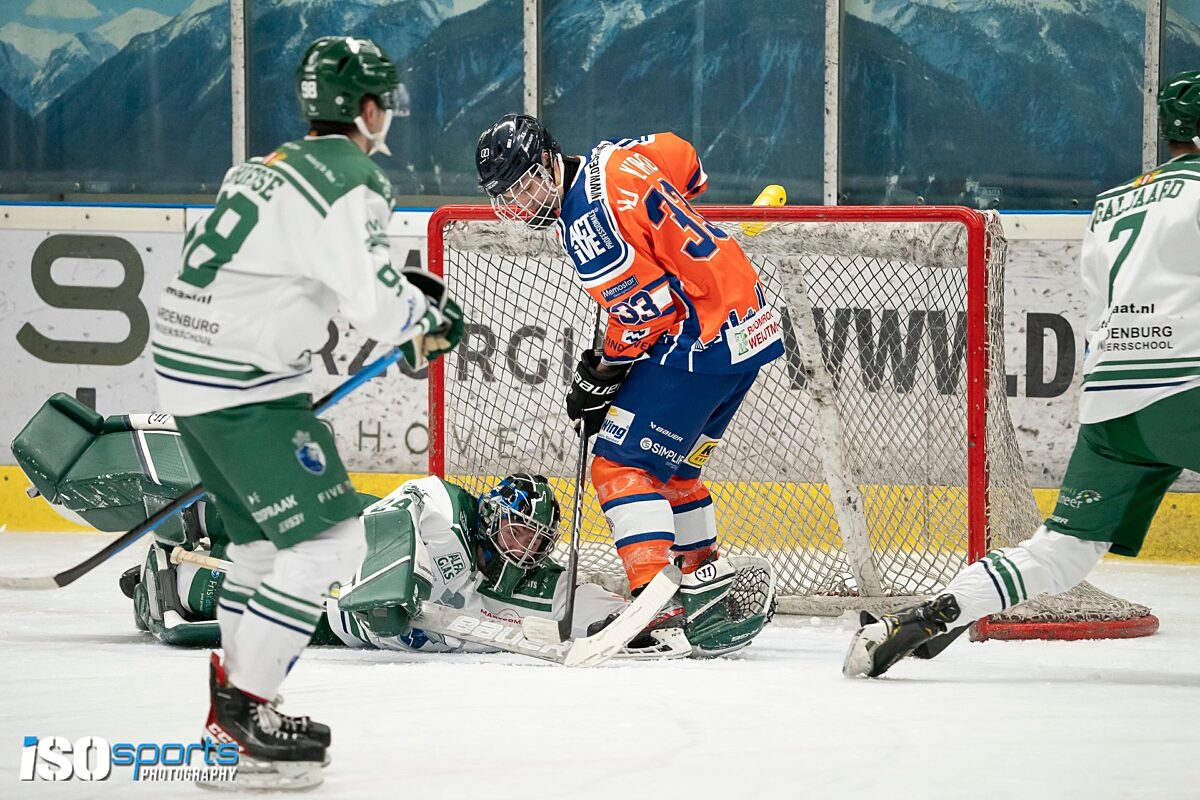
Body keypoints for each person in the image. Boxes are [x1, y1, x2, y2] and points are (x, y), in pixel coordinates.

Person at [149, 36, 462, 786]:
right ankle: (244, 717)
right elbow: (372, 296)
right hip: (242, 384)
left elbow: (310, 271)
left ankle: (232, 723)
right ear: (362, 108)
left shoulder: (265, 166)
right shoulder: (352, 178)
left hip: (186, 370)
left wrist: (405, 308)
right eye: (381, 100)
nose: (386, 114)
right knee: (330, 540)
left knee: (258, 552)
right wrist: (420, 322)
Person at [844, 70, 1200, 679]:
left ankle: (933, 614)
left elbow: (1097, 296)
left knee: (1062, 550)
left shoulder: (1114, 202)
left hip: (1113, 395)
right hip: (1187, 381)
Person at [7, 393, 774, 660]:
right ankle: (172, 563)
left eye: (529, 540)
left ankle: (161, 577)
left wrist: (670, 618)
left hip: (348, 627)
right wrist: (394, 586)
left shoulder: (555, 583)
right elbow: (396, 540)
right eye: (510, 530)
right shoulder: (444, 506)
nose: (518, 546)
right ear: (492, 518)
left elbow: (616, 622)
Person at [474, 116, 785, 653]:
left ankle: (654, 605)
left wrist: (603, 374)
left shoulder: (585, 224)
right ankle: (705, 586)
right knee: (675, 471)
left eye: (526, 184)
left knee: (619, 464)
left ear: (550, 160)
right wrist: (667, 224)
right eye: (509, 195)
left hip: (699, 340)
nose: (521, 205)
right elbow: (683, 156)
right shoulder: (617, 156)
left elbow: (647, 314)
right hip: (750, 329)